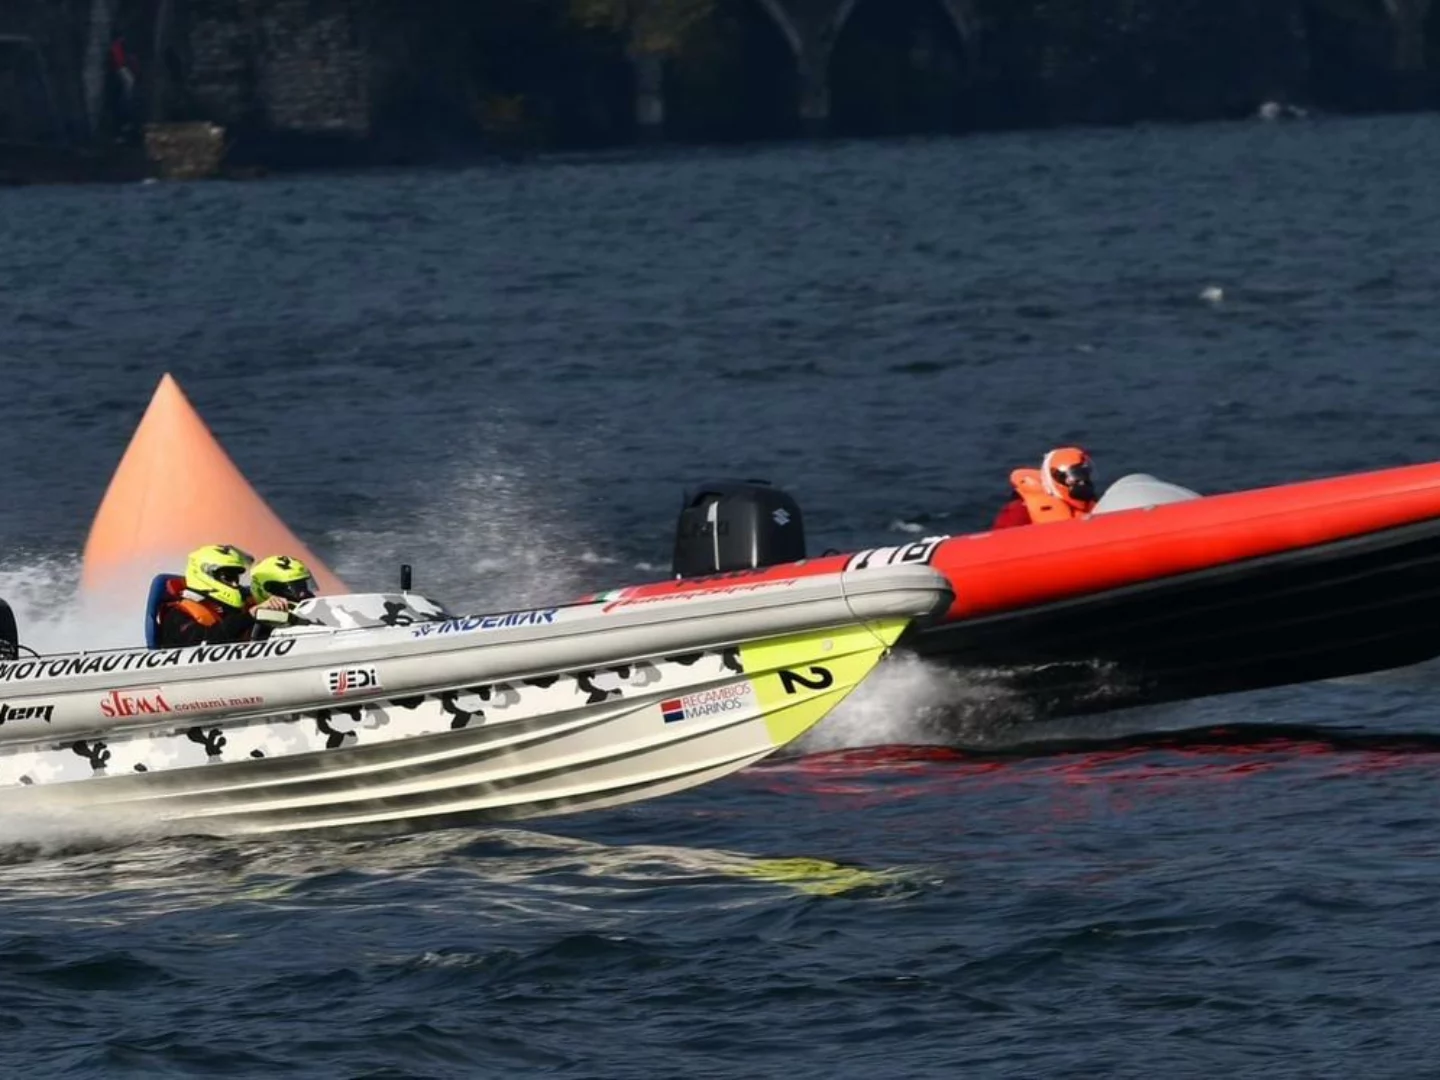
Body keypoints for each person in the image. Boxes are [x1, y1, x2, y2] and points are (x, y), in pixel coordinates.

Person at [155, 543, 289, 648]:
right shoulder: (177, 614)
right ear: (205, 575)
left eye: (236, 578)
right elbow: (203, 642)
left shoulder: (239, 605)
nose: (235, 584)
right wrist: (250, 615)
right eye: (228, 577)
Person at [992, 446, 1098, 530]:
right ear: (1057, 478)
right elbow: (1001, 546)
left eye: (1085, 474)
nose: (1082, 481)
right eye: (1076, 476)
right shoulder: (1019, 510)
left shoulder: (1092, 504)